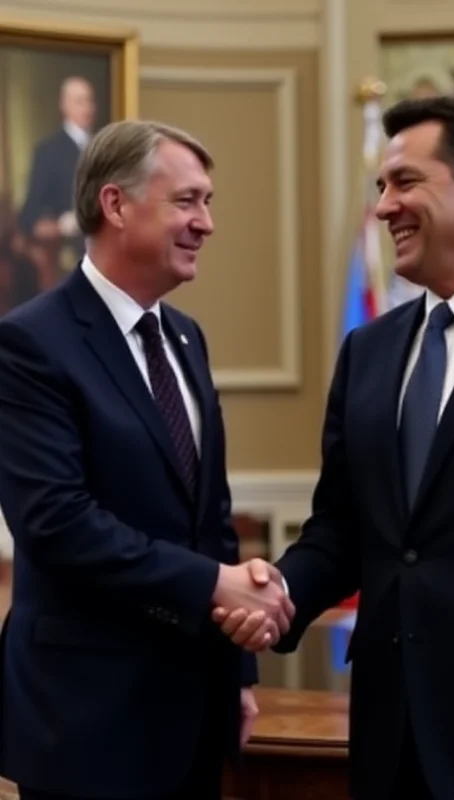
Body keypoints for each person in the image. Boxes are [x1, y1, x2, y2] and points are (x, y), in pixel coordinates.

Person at [212, 96, 454, 800]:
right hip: (390, 736)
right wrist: (280, 593)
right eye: (382, 187)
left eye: (404, 182)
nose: (384, 207)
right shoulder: (369, 351)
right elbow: (341, 530)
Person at [0, 119, 293, 800]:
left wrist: (238, 678)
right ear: (115, 204)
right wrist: (216, 585)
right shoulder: (28, 344)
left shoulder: (185, 339)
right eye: (187, 201)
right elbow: (58, 523)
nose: (207, 223)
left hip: (192, 709)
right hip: (87, 717)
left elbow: (209, 516)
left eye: (209, 202)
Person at [19, 76, 97, 274]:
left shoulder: (103, 146)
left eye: (89, 100)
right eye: (80, 101)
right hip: (66, 255)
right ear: (64, 105)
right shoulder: (48, 151)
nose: (87, 108)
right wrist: (62, 225)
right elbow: (29, 214)